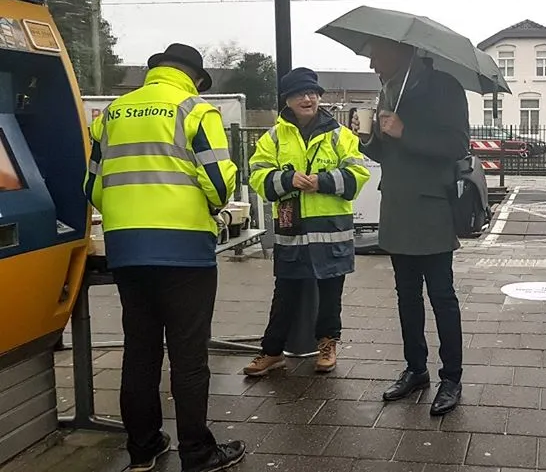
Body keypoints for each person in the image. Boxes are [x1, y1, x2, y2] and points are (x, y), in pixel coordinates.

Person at [83, 43, 245, 472]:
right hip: (183, 248)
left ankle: (143, 447)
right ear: (194, 77)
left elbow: (93, 188)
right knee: (189, 355)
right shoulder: (195, 110)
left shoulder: (114, 113)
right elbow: (219, 181)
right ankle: (198, 453)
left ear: (155, 71)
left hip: (127, 248)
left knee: (140, 350)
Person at [349, 39, 469, 416]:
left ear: (402, 51)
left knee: (442, 296)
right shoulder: (389, 91)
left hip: (431, 206)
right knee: (406, 296)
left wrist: (405, 131)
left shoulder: (443, 87)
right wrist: (366, 140)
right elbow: (388, 151)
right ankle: (416, 369)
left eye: (376, 57)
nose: (372, 66)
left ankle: (451, 377)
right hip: (398, 207)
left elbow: (457, 144)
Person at [243, 68, 370, 376]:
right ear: (288, 99)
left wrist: (322, 182)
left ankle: (327, 345)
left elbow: (358, 174)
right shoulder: (273, 136)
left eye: (313, 93)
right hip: (292, 233)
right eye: (301, 93)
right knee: (285, 294)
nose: (309, 98)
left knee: (330, 295)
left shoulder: (340, 135)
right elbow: (258, 176)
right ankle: (272, 351)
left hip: (331, 233)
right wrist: (287, 179)